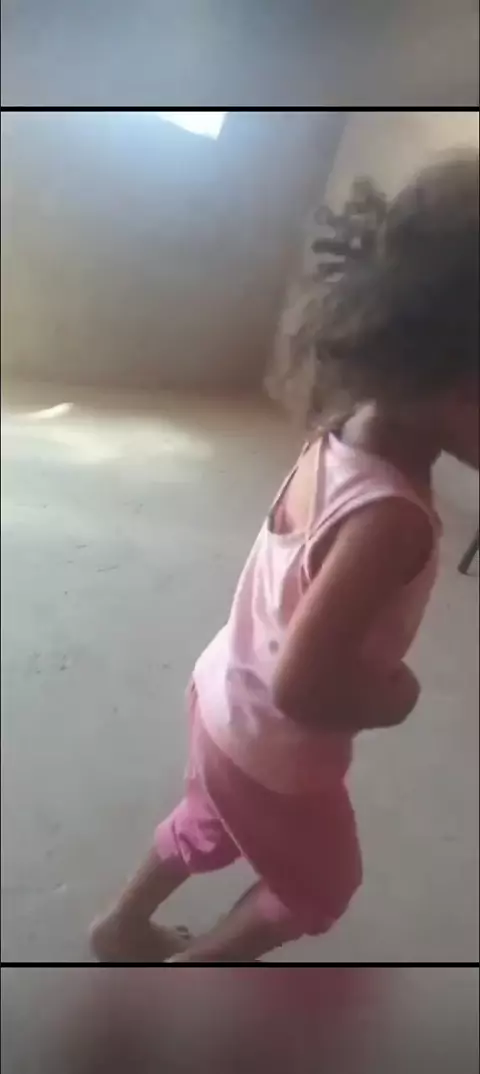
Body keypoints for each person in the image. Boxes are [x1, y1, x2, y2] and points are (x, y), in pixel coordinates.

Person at [90, 153, 479, 963]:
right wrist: (395, 696)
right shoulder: (393, 522)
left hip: (221, 690)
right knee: (318, 888)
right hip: (273, 749)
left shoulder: (351, 424)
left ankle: (119, 926)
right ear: (464, 387)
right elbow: (304, 684)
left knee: (208, 816)